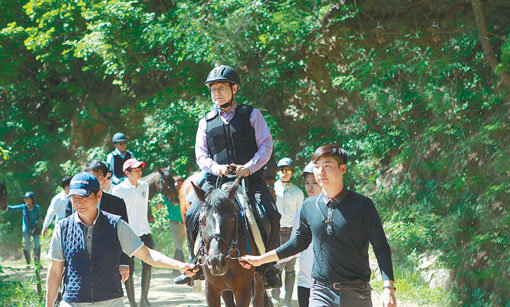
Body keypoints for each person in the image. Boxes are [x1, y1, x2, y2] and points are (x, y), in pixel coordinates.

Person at [239, 145, 397, 307]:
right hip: (322, 291)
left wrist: (388, 287)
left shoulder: (362, 205)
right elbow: (297, 243)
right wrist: (260, 260)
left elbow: (381, 247)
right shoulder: (308, 206)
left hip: (357, 292)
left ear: (342, 169)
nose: (320, 172)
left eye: (327, 166)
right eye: (317, 167)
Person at [176, 65, 282, 288]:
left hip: (249, 179)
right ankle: (194, 264)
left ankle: (269, 268)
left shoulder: (252, 114)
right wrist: (217, 168)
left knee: (271, 214)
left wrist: (249, 167)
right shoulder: (205, 121)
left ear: (235, 89)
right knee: (193, 213)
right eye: (213, 89)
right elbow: (201, 155)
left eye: (221, 88)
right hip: (216, 180)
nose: (216, 93)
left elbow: (266, 146)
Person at [45, 172, 197, 307]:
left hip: (110, 301)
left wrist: (180, 266)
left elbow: (146, 254)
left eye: (84, 197)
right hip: (73, 302)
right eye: (74, 198)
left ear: (98, 195)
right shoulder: (62, 228)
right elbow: (55, 271)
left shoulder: (116, 224)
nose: (79, 203)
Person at [112, 159, 153, 307]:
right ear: (127, 172)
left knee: (148, 264)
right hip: (127, 233)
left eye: (140, 169)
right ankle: (132, 302)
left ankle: (144, 299)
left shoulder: (145, 186)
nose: (140, 171)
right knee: (129, 268)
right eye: (135, 169)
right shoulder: (118, 190)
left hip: (145, 231)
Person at [272, 157, 304, 306]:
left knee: (290, 268)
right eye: (282, 170)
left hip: (291, 232)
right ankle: (275, 298)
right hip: (276, 233)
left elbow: (300, 215)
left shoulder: (298, 192)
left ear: (292, 172)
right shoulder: (271, 189)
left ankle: (287, 301)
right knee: (276, 266)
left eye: (288, 170)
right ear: (278, 171)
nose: (285, 173)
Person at [293, 162, 322, 307]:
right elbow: (294, 243)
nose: (310, 187)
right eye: (307, 183)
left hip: (326, 282)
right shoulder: (300, 212)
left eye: (314, 183)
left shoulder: (334, 210)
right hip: (305, 280)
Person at [4, 191, 43, 267]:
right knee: (27, 245)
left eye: (27, 198)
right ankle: (28, 263)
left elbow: (39, 218)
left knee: (37, 244)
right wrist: (5, 206)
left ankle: (38, 263)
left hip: (35, 228)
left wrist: (37, 224)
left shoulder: (37, 207)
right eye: (25, 198)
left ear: (32, 199)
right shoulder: (23, 207)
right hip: (26, 228)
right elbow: (13, 208)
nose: (26, 200)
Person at [154, 175, 186, 265]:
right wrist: (158, 205)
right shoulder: (169, 196)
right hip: (174, 224)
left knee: (188, 246)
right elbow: (158, 206)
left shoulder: (185, 195)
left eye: (180, 184)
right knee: (178, 247)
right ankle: (180, 268)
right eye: (177, 185)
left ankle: (180, 268)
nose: (178, 186)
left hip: (185, 224)